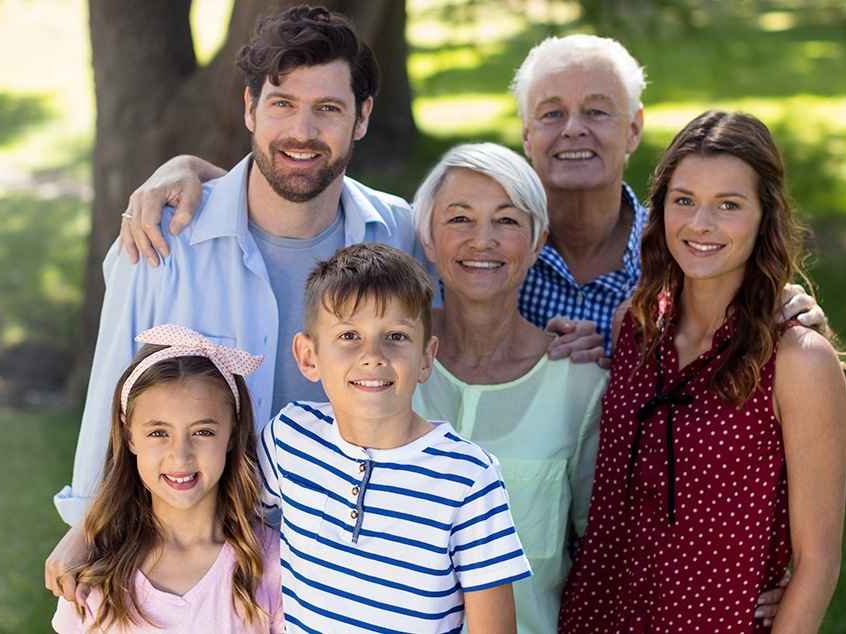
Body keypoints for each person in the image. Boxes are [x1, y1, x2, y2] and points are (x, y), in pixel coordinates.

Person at [115, 35, 823, 357]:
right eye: (550, 112)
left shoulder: (680, 255)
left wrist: (780, 300)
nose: (572, 130)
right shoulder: (461, 250)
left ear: (635, 127)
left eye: (598, 111)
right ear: (524, 131)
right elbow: (302, 181)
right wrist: (191, 169)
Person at [51, 5, 435, 526]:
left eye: (327, 108)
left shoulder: (400, 232)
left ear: (362, 117)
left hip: (348, 559)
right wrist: (85, 529)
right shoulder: (160, 240)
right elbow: (108, 403)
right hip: (199, 557)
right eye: (282, 104)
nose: (302, 131)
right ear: (250, 108)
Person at [557, 110, 846, 632]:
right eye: (684, 200)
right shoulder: (635, 326)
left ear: (766, 216)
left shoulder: (797, 360)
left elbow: (818, 562)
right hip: (599, 615)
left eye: (729, 205)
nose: (701, 224)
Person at [269, 241, 529, 632]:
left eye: (396, 336)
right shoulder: (289, 437)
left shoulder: (470, 480)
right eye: (348, 336)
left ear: (426, 358)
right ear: (309, 356)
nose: (373, 355)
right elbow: (223, 529)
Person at [407, 143, 607, 633]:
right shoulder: (387, 363)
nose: (483, 240)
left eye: (507, 221)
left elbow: (601, 554)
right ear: (428, 242)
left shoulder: (580, 385)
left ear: (538, 243)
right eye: (459, 219)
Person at [50, 324, 284, 634]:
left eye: (203, 432)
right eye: (159, 433)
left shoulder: (269, 562)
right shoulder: (92, 569)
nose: (180, 456)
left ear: (232, 434)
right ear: (129, 435)